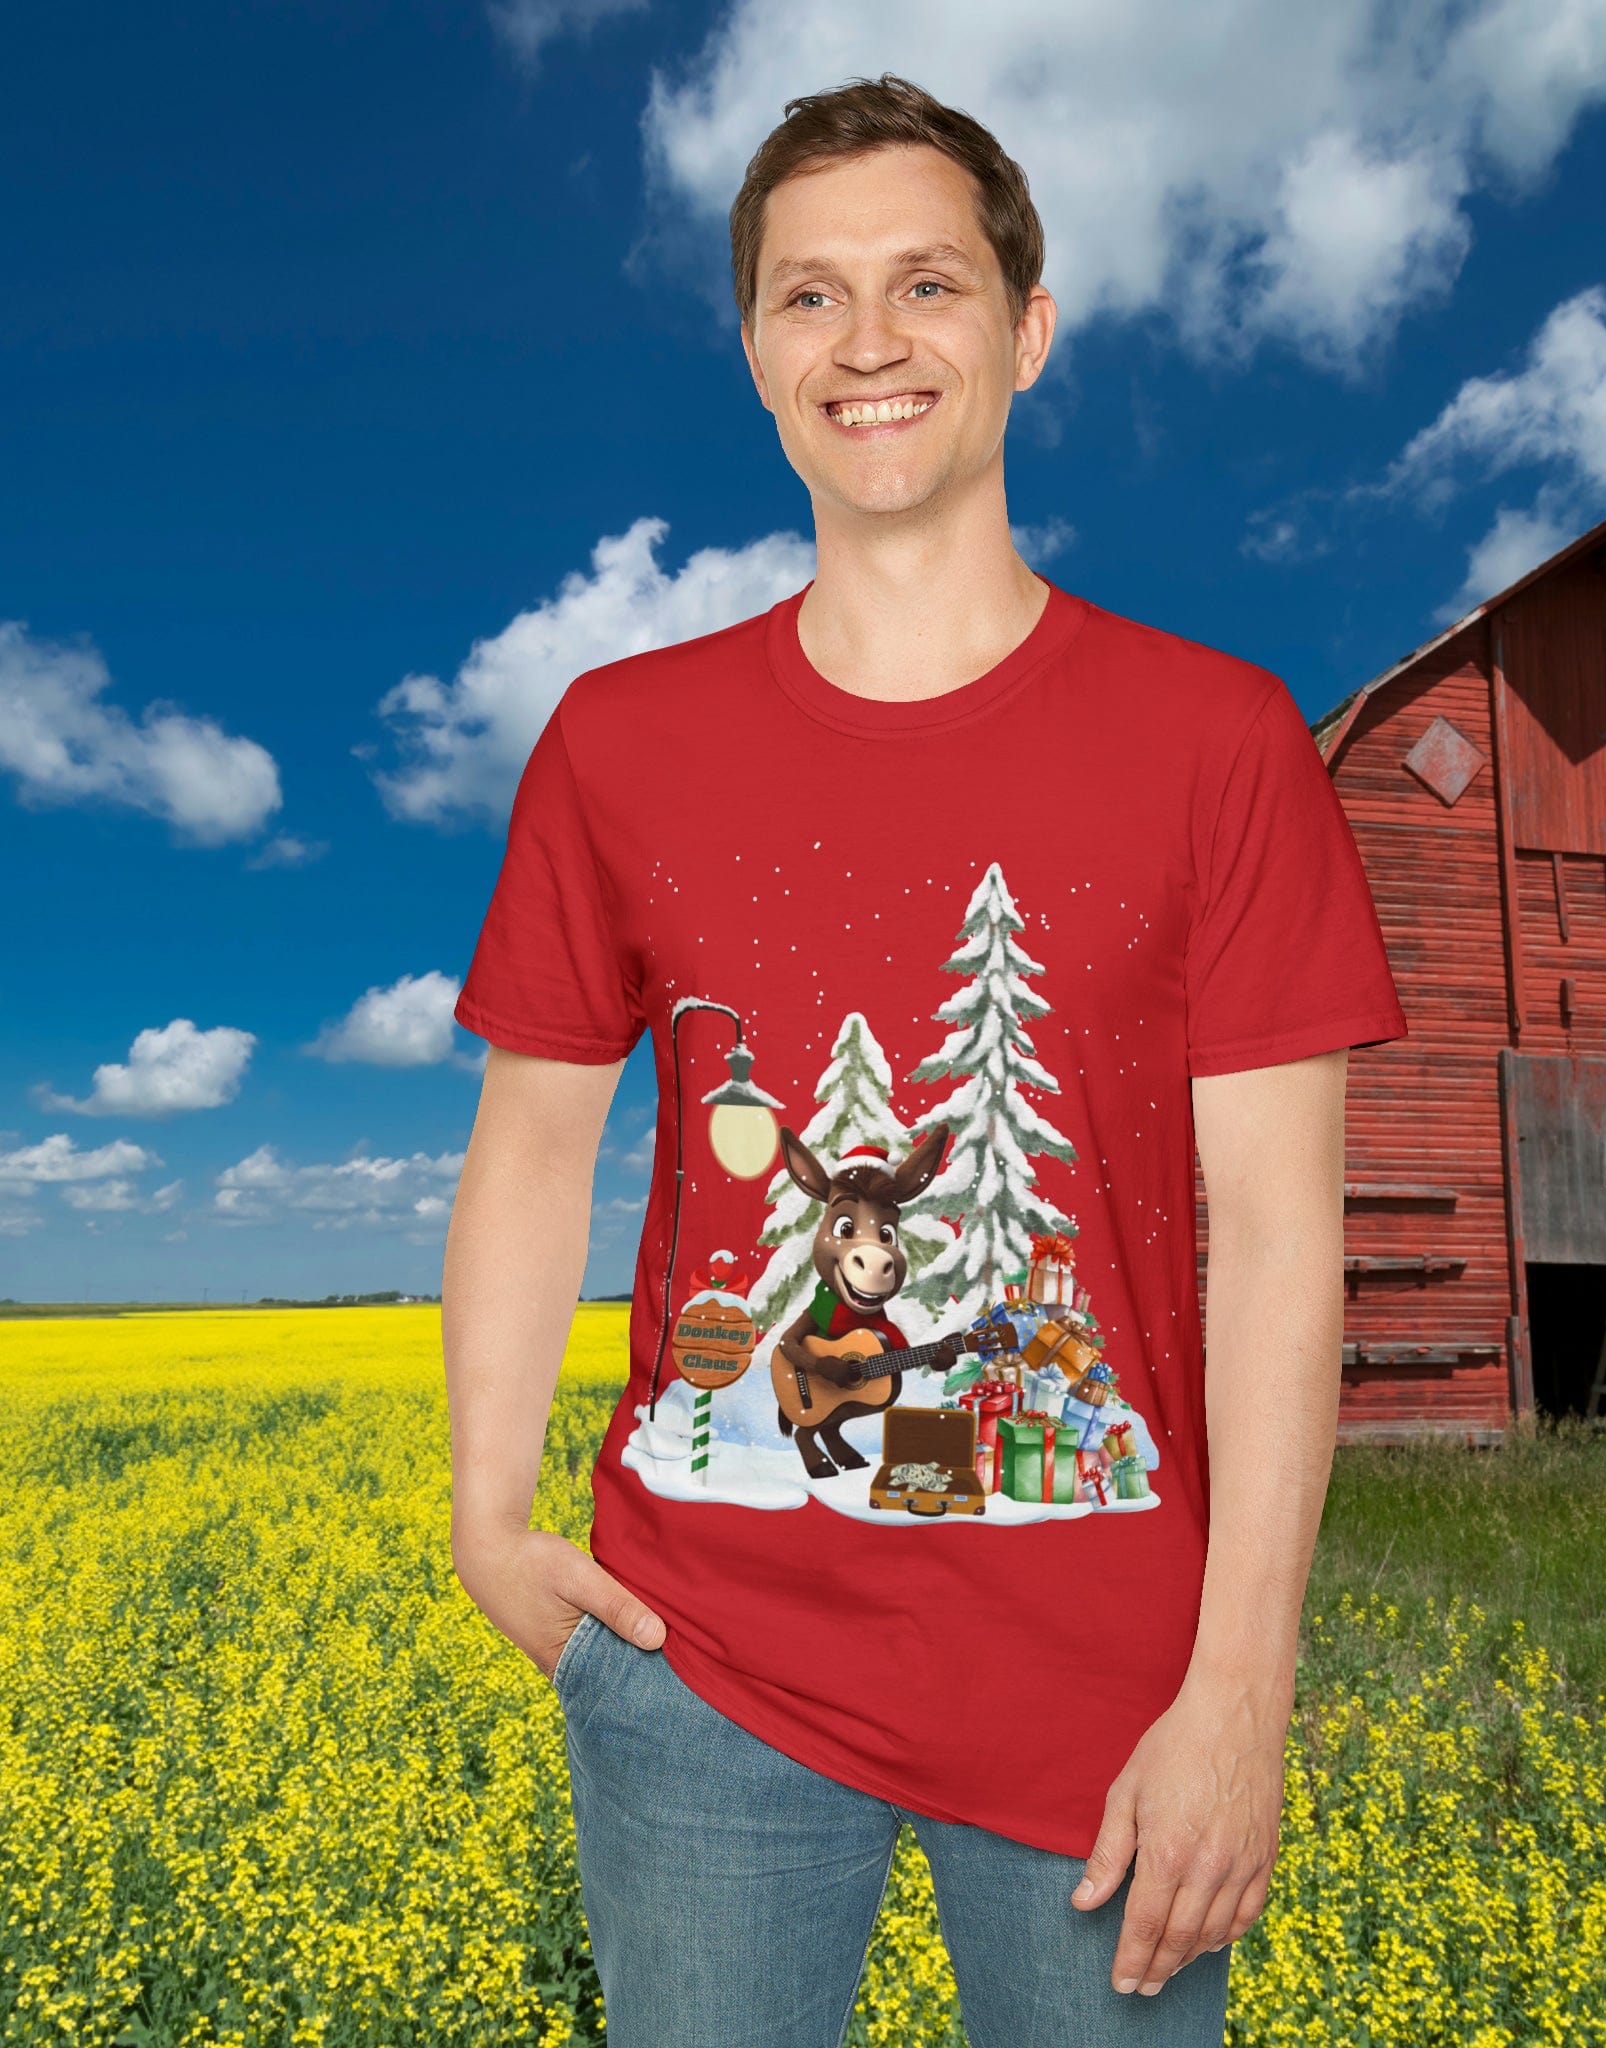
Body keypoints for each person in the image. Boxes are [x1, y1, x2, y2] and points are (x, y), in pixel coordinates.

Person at [444, 72, 1407, 2047]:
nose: (867, 343)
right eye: (808, 297)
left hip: (1114, 1695)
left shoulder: (1221, 740)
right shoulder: (618, 743)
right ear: (753, 355)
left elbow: (1280, 1236)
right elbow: (537, 1142)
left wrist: (1241, 1688)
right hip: (694, 1668)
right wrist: (484, 1507)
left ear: (1025, 330)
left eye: (926, 285)